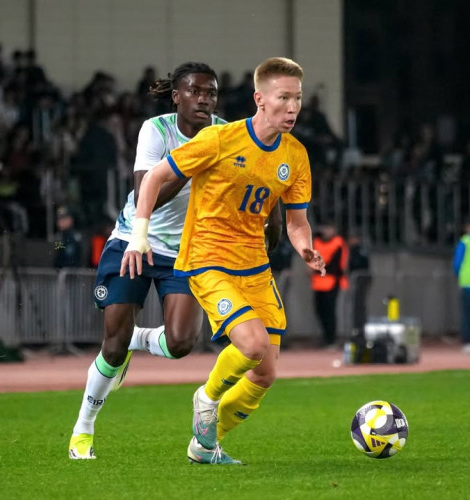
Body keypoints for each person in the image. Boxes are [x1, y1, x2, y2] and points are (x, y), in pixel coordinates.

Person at [68, 62, 282, 459]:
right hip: (135, 239)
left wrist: (273, 214)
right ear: (177, 96)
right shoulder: (156, 130)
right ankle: (84, 428)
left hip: (186, 251)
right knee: (112, 347)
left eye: (211, 93)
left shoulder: (227, 134)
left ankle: (138, 338)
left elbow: (261, 176)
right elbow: (144, 194)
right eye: (195, 91)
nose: (204, 99)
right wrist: (192, 161)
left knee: (181, 342)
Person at [124, 57, 326, 464]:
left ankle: (204, 444)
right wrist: (139, 235)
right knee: (251, 345)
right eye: (283, 98)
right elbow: (155, 178)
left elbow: (297, 222)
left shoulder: (295, 155)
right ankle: (207, 396)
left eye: (297, 99)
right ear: (259, 99)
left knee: (265, 373)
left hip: (255, 267)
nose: (292, 108)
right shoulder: (220, 139)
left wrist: (305, 247)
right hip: (208, 259)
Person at [310, 222, 348, 348]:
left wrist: (317, 268)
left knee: (330, 311)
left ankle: (331, 339)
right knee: (320, 310)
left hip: (332, 282)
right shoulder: (316, 242)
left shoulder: (338, 243)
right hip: (318, 283)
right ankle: (326, 337)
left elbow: (335, 266)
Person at [452, 218, 470, 354]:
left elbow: (457, 263)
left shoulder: (464, 242)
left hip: (467, 282)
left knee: (467, 314)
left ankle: (467, 342)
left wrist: (459, 274)